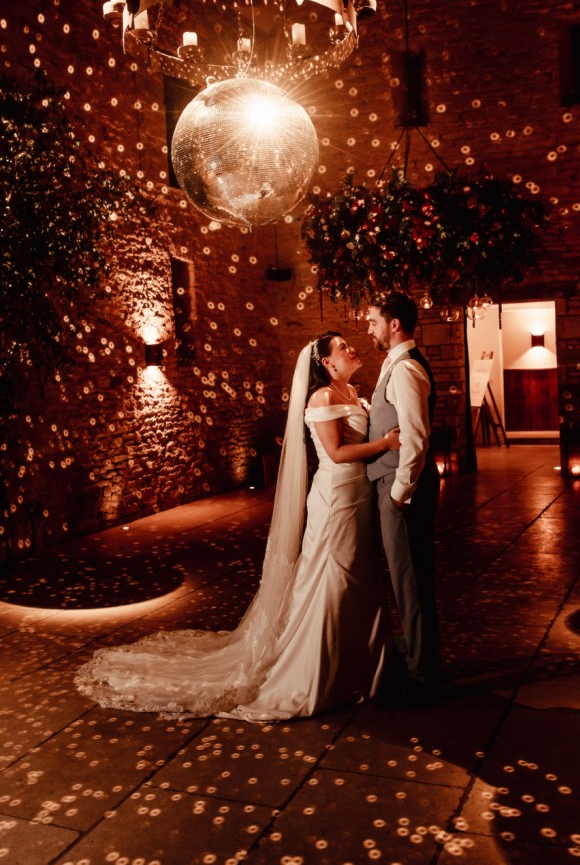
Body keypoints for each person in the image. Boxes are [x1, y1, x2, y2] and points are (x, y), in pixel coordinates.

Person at [75, 332, 400, 721]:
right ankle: (317, 671)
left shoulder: (353, 394)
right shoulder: (323, 397)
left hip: (358, 495)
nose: (351, 350)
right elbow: (336, 452)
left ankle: (359, 663)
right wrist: (385, 445)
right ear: (327, 364)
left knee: (359, 575)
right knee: (335, 576)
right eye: (342, 348)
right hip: (337, 496)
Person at [366, 291, 441, 705]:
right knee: (409, 580)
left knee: (409, 582)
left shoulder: (406, 370)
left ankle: (422, 676)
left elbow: (415, 438)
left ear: (395, 324)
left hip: (402, 491)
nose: (370, 327)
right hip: (396, 486)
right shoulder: (394, 365)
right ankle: (423, 662)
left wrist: (398, 494)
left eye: (374, 320)